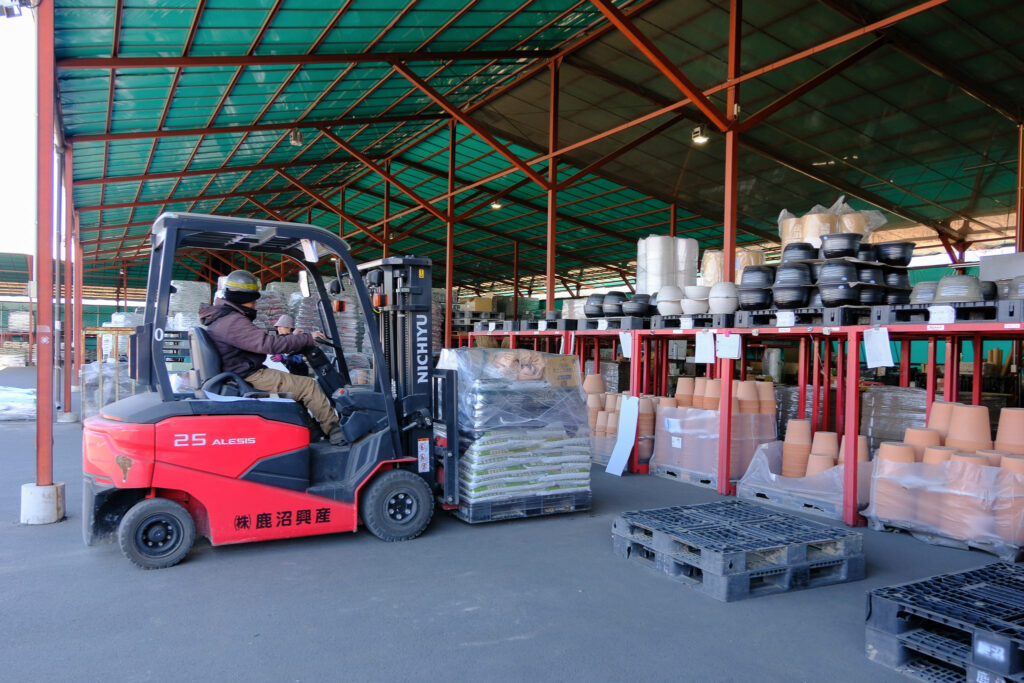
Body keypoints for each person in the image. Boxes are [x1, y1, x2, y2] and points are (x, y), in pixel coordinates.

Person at [198, 270, 342, 444]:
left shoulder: (224, 317)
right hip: (248, 375)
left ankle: (311, 432)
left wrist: (291, 339)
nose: (255, 305)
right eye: (252, 300)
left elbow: (258, 340)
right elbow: (267, 345)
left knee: (295, 388)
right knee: (308, 386)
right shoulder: (233, 321)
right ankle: (336, 431)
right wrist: (307, 338)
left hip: (239, 370)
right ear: (243, 299)